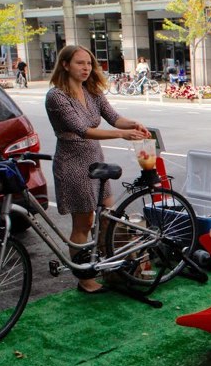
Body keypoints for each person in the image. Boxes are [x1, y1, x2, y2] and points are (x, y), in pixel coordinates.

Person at [45, 45, 150, 294]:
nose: (86, 68)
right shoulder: (57, 96)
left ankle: (108, 266)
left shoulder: (91, 90)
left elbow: (114, 117)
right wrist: (122, 134)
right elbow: (82, 129)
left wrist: (133, 123)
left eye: (89, 64)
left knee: (108, 216)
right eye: (80, 63)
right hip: (72, 162)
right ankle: (85, 279)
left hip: (95, 158)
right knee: (83, 222)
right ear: (65, 65)